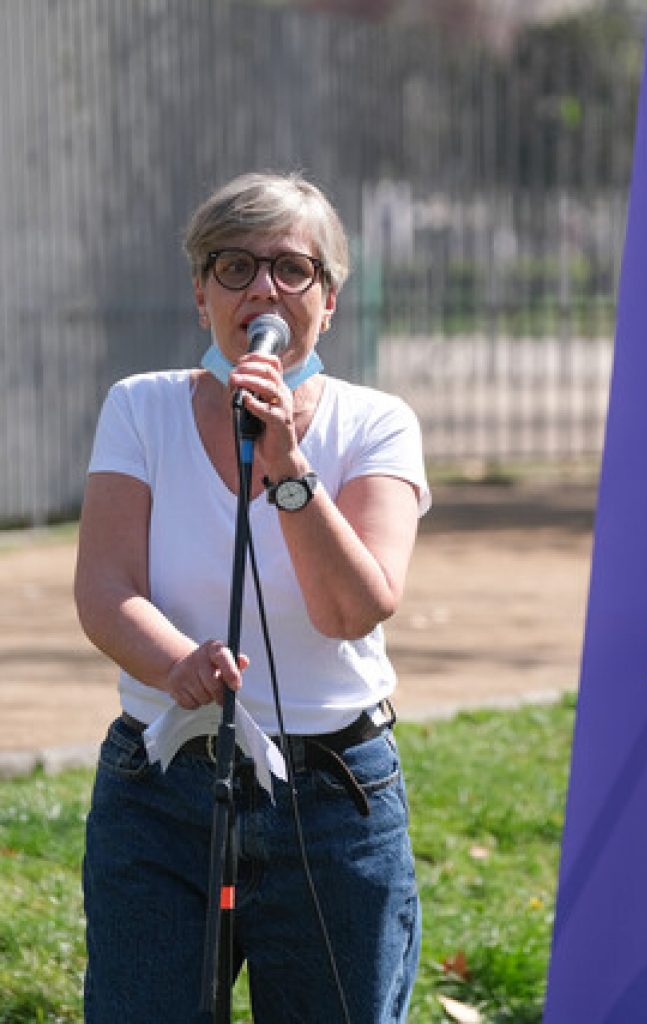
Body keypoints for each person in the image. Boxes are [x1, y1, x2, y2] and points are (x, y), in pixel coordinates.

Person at [74, 170, 429, 1023]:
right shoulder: (140, 409)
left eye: (292, 268)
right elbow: (105, 586)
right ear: (202, 297)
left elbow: (353, 610)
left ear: (329, 300)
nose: (263, 286)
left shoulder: (377, 423)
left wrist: (286, 462)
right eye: (234, 266)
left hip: (333, 796)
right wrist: (175, 662)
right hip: (164, 786)